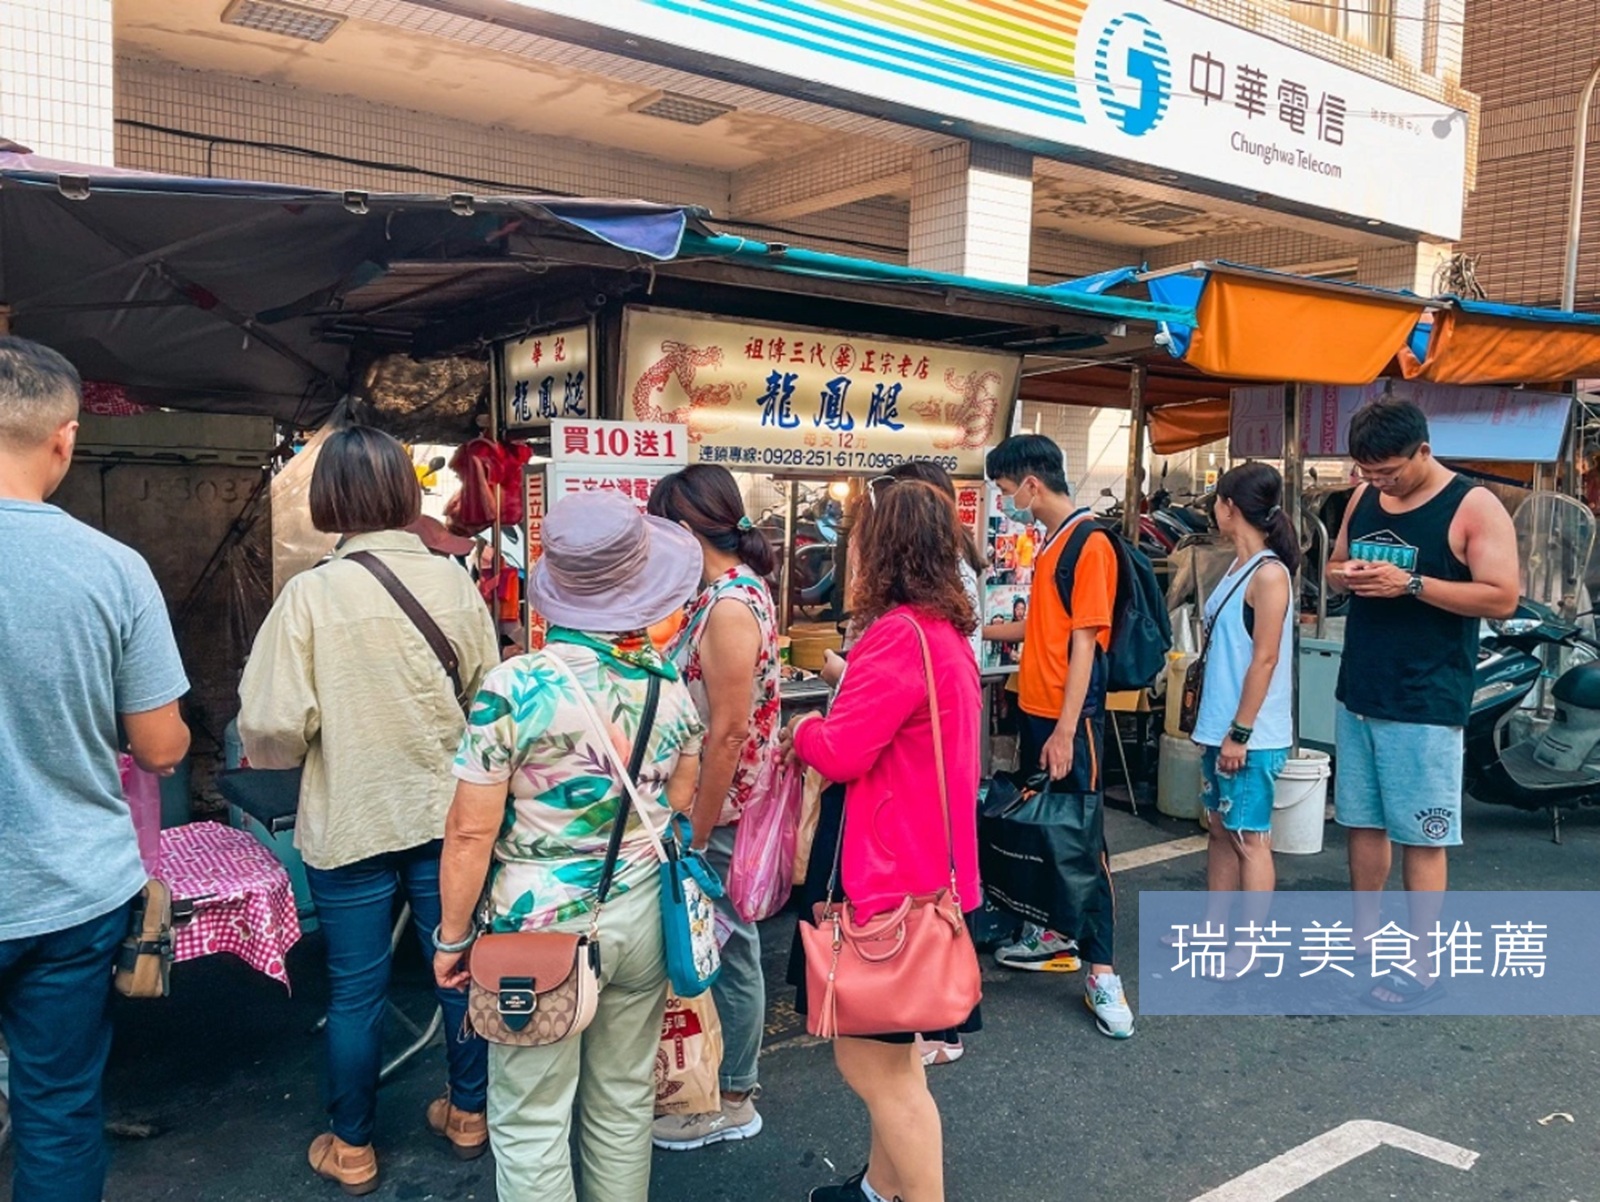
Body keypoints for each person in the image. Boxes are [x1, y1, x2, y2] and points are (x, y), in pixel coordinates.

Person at [238, 427, 500, 1194]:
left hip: (350, 821)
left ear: (329, 502)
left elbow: (273, 730)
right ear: (403, 495)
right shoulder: (456, 584)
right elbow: (491, 707)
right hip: (448, 821)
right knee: (459, 968)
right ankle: (469, 1113)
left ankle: (352, 1146)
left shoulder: (311, 596)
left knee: (357, 989)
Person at [432, 490, 705, 1201]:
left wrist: (452, 935)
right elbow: (679, 800)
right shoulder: (668, 686)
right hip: (643, 913)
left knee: (529, 1118)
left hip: (536, 925)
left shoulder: (514, 687)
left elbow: (469, 831)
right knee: (620, 1103)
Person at [0, 337, 191, 1202]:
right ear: (65, 440)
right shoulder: (114, 570)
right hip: (67, 892)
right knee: (57, 1110)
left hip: (60, 892)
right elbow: (160, 748)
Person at [782, 481, 982, 1202]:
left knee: (877, 1071)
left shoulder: (899, 633)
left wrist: (799, 730)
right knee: (895, 1063)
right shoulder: (943, 632)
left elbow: (841, 751)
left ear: (881, 549)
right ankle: (880, 1189)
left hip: (888, 872)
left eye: (860, 535)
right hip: (926, 863)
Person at [1328, 399, 1518, 1008]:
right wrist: (1349, 576)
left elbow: (1501, 596)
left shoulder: (1473, 505)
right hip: (1361, 685)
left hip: (1427, 695)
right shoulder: (1363, 499)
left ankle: (1422, 959)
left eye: (1389, 472)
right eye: (1368, 472)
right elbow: (1332, 566)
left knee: (1422, 834)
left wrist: (1410, 583)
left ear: (1424, 451)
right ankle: (1363, 941)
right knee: (1360, 821)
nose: (1379, 483)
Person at [645, 464, 781, 1152]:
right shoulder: (720, 594)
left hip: (720, 812)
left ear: (687, 529)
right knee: (713, 947)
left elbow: (728, 730)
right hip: (710, 806)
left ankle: (733, 1095)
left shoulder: (729, 605)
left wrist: (696, 830)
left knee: (728, 949)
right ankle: (710, 1086)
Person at [982, 434, 1133, 1039]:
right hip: (1039, 710)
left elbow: (1085, 644)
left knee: (1084, 842)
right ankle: (1052, 932)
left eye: (1003, 490)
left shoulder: (1091, 544)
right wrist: (992, 628)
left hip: (1070, 720)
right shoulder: (1055, 543)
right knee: (1047, 830)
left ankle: (1101, 971)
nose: (1004, 500)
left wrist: (1067, 730)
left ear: (1031, 485)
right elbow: (1050, 625)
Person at [1193, 464, 1298, 903]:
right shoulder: (1241, 565)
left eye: (1216, 502)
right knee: (1221, 829)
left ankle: (1250, 947)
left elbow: (1266, 658)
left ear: (1229, 507)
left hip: (1249, 734)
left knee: (1249, 839)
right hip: (1221, 725)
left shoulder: (1269, 574)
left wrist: (1240, 731)